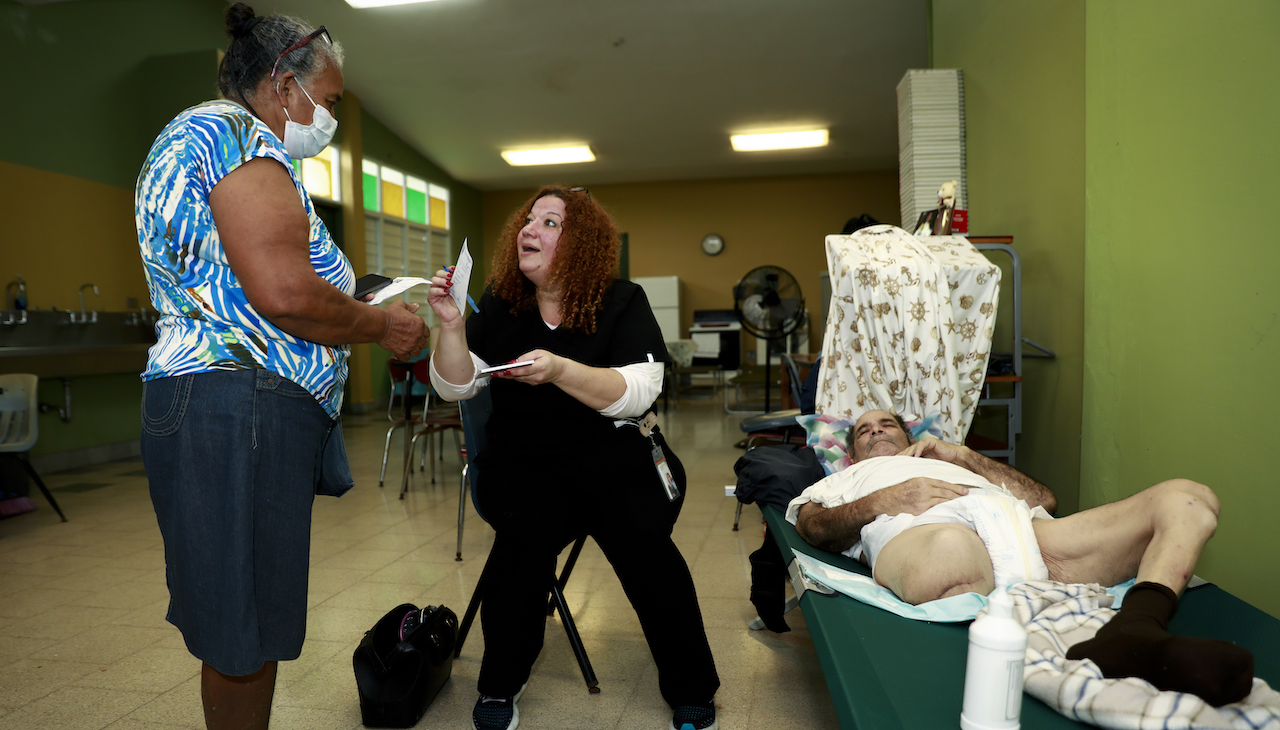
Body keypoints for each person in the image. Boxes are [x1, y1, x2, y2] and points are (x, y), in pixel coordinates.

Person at [134, 5, 429, 729]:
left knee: (241, 621)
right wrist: (383, 325)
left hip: (220, 401)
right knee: (244, 629)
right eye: (326, 102)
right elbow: (285, 294)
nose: (330, 118)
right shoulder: (237, 134)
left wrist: (353, 302)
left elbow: (259, 280)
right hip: (241, 403)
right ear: (281, 83)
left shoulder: (212, 141)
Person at [428, 186, 720, 730]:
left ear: (581, 242)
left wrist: (560, 370)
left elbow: (640, 389)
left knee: (646, 547)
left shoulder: (621, 300)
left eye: (550, 222)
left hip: (617, 465)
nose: (528, 229)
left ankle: (692, 689)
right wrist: (449, 326)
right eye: (528, 219)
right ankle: (498, 688)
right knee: (521, 544)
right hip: (525, 467)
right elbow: (455, 385)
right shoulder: (500, 303)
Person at [788, 409, 1253, 707]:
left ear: (907, 433)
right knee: (951, 559)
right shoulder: (846, 481)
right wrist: (887, 497)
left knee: (1191, 499)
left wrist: (967, 457)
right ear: (851, 453)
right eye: (864, 431)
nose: (875, 432)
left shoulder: (952, 458)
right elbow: (812, 526)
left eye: (886, 424)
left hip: (1022, 530)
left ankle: (1137, 629)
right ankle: (1068, 648)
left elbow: (1044, 499)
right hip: (925, 532)